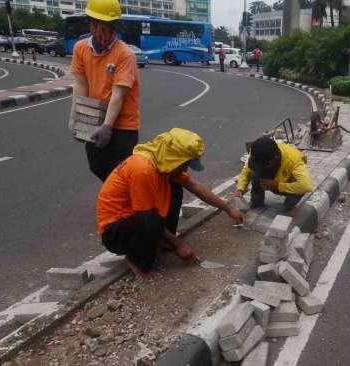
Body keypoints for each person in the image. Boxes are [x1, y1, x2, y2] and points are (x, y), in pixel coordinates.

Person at [97, 128, 245, 276]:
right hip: (115, 231)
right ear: (174, 158)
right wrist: (179, 245)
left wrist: (228, 209)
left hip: (136, 218)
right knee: (151, 223)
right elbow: (146, 218)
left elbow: (195, 187)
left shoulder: (162, 163)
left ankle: (161, 242)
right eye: (185, 163)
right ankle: (135, 258)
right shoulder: (143, 170)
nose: (186, 168)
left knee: (175, 187)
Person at [69, 0, 140, 181]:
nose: (103, 33)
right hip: (95, 118)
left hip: (123, 125)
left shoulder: (125, 54)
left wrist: (107, 126)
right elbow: (81, 85)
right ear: (91, 24)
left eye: (108, 27)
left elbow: (119, 94)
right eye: (97, 26)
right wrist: (76, 117)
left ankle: (126, 204)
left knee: (122, 173)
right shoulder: (81, 48)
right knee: (97, 165)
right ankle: (120, 199)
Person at [235, 137, 312, 210]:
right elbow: (246, 170)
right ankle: (257, 202)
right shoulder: (257, 152)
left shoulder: (294, 159)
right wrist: (240, 189)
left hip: (285, 183)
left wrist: (277, 186)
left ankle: (288, 206)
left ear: (273, 160)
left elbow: (306, 186)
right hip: (271, 178)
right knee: (254, 172)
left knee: (297, 191)